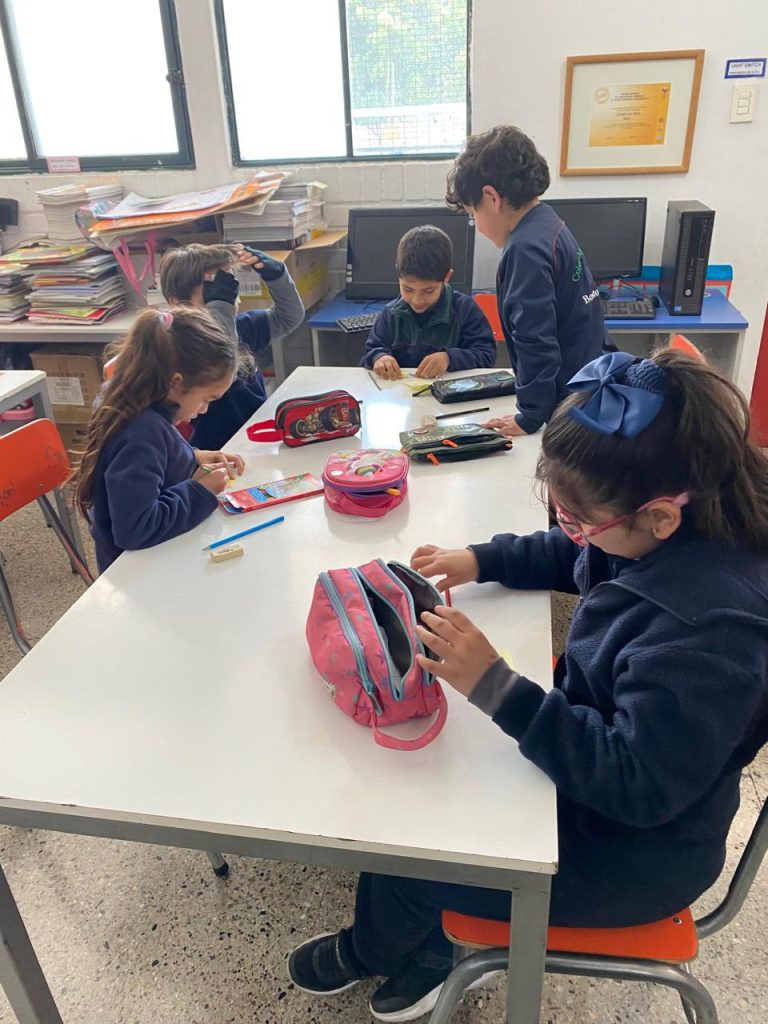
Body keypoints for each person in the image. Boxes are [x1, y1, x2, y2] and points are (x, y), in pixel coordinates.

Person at [287, 350, 768, 1021]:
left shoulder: (709, 636)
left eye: (576, 517)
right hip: (593, 779)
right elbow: (584, 551)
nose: (570, 531)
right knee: (425, 795)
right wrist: (481, 559)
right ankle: (425, 940)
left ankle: (374, 950)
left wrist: (496, 686)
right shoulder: (674, 518)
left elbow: (637, 785)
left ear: (660, 517)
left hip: (633, 852)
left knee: (406, 849)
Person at [445, 125, 609, 435]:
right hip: (588, 390)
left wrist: (529, 416)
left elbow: (534, 341)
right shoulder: (550, 223)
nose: (476, 224)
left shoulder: (525, 249)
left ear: (491, 197)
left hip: (569, 410)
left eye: (472, 213)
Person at [71, 308, 244, 573]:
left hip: (159, 557)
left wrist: (192, 456)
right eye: (206, 399)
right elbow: (135, 529)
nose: (204, 410)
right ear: (176, 382)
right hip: (139, 574)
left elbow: (155, 458)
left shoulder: (136, 401)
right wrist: (200, 491)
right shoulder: (140, 431)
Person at [159, 242, 304, 449]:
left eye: (228, 286)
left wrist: (277, 276)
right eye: (213, 292)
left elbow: (289, 317)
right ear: (178, 304)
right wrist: (220, 304)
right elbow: (219, 358)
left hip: (255, 437)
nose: (228, 297)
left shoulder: (243, 327)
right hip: (218, 451)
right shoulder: (177, 347)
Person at [360, 225, 496, 379]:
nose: (417, 300)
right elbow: (372, 351)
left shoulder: (465, 309)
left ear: (446, 277)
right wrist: (380, 358)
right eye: (408, 289)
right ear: (398, 274)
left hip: (451, 390)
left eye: (429, 291)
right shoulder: (391, 314)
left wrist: (449, 358)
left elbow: (487, 355)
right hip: (402, 391)